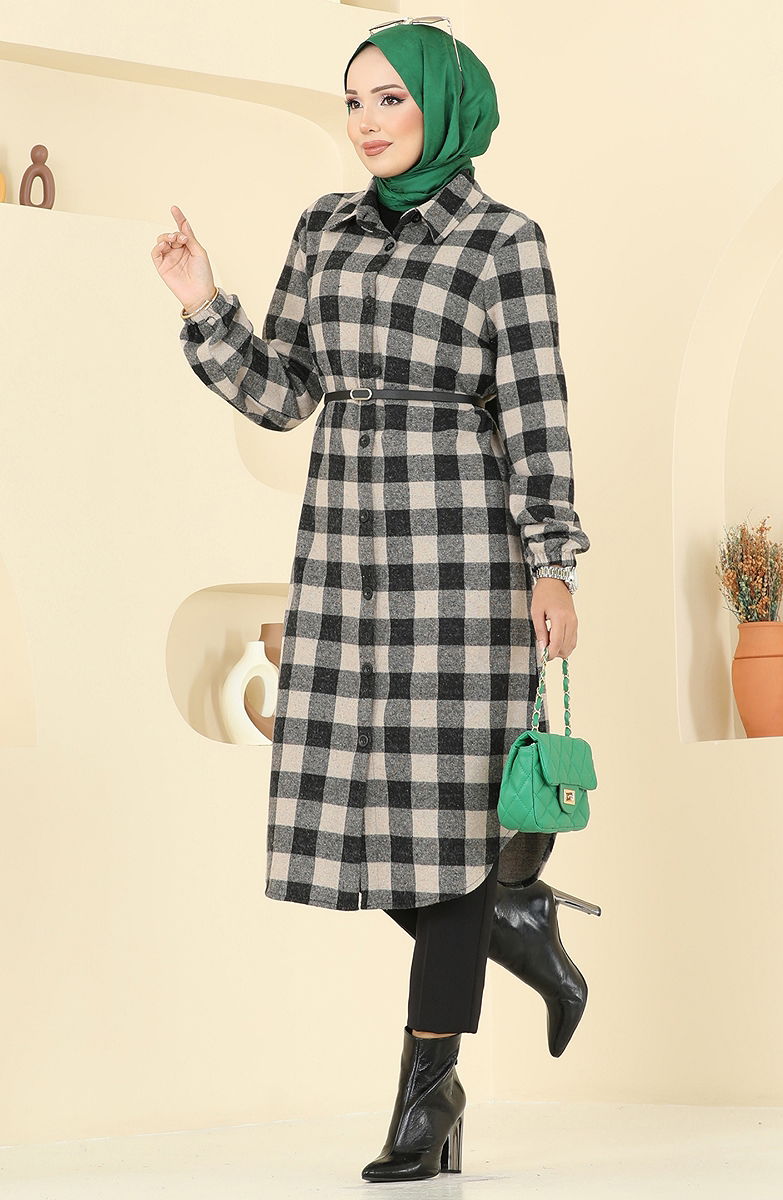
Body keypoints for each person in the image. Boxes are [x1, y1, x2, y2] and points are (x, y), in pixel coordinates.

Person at [152, 18, 597, 1183]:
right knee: (356, 814)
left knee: (447, 827)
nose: (364, 120)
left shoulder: (504, 242)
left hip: (465, 562)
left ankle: (426, 1092)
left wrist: (551, 561)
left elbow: (535, 411)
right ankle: (516, 923)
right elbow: (285, 392)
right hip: (345, 555)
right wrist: (202, 303)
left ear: (442, 104)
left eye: (389, 97)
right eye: (352, 99)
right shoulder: (325, 228)